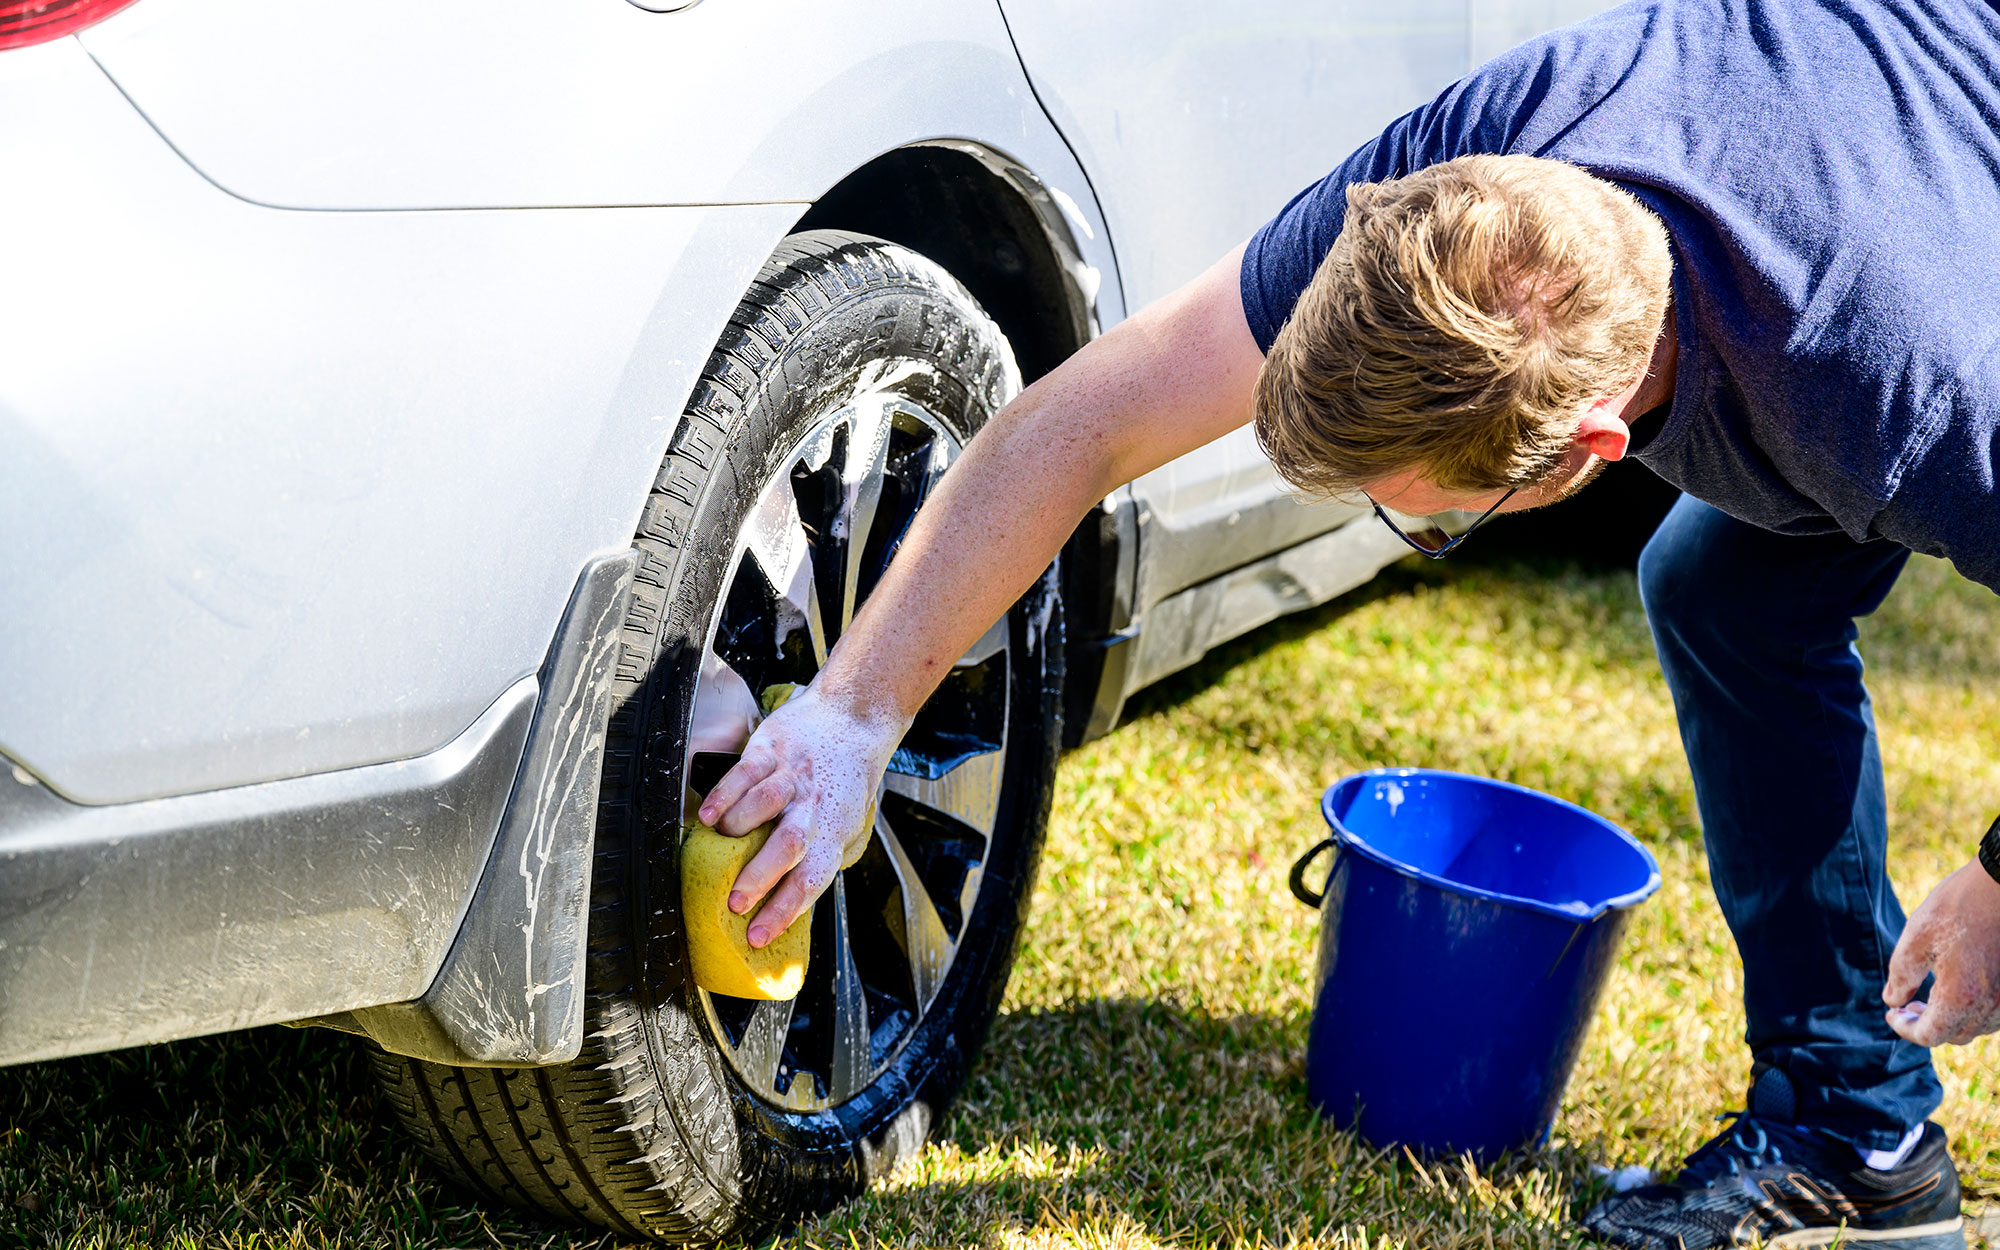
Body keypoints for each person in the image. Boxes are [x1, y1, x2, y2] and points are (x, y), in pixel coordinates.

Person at [697, 0, 2000, 1245]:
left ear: (1591, 447)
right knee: (1717, 591)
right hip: (1847, 122)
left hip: (1940, 216)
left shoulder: (1911, 396)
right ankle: (1855, 1131)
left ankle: (1853, 1128)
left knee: (1728, 586)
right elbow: (1084, 419)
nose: (1411, 532)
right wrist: (853, 709)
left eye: (1423, 518)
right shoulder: (1462, 189)